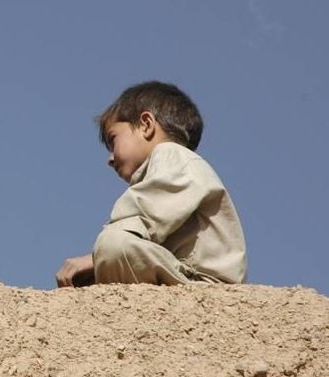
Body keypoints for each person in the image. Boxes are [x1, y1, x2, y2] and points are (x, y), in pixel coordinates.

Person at [55, 81, 246, 287]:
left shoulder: (173, 155)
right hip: (181, 276)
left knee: (113, 245)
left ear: (146, 124)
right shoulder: (172, 165)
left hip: (203, 287)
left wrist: (95, 258)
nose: (110, 159)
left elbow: (143, 216)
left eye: (113, 140)